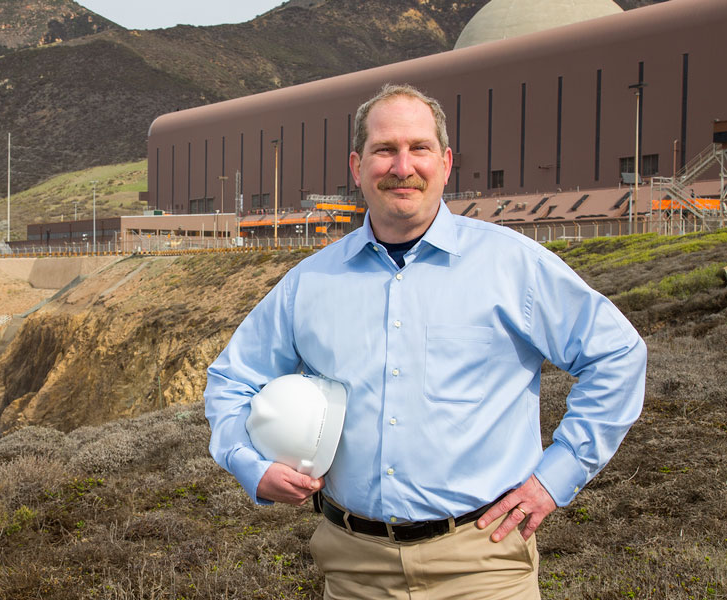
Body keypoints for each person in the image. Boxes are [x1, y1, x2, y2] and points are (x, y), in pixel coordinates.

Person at [204, 83, 647, 598]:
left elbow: (617, 354)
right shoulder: (311, 283)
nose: (402, 166)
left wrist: (556, 477)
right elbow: (231, 379)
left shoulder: (512, 266)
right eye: (384, 150)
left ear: (446, 161)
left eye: (419, 148)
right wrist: (249, 465)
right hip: (352, 569)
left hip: (483, 565)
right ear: (356, 165)